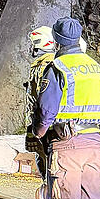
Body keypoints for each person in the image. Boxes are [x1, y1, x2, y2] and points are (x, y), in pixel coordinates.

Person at [33, 18, 100, 199]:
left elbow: (46, 110)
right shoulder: (98, 69)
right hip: (95, 144)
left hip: (67, 146)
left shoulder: (58, 68)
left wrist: (39, 132)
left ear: (56, 39)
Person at [25, 26, 57, 177]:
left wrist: (32, 127)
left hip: (43, 123)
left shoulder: (43, 65)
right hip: (49, 122)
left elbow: (37, 99)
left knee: (46, 163)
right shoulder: (54, 62)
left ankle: (51, 197)